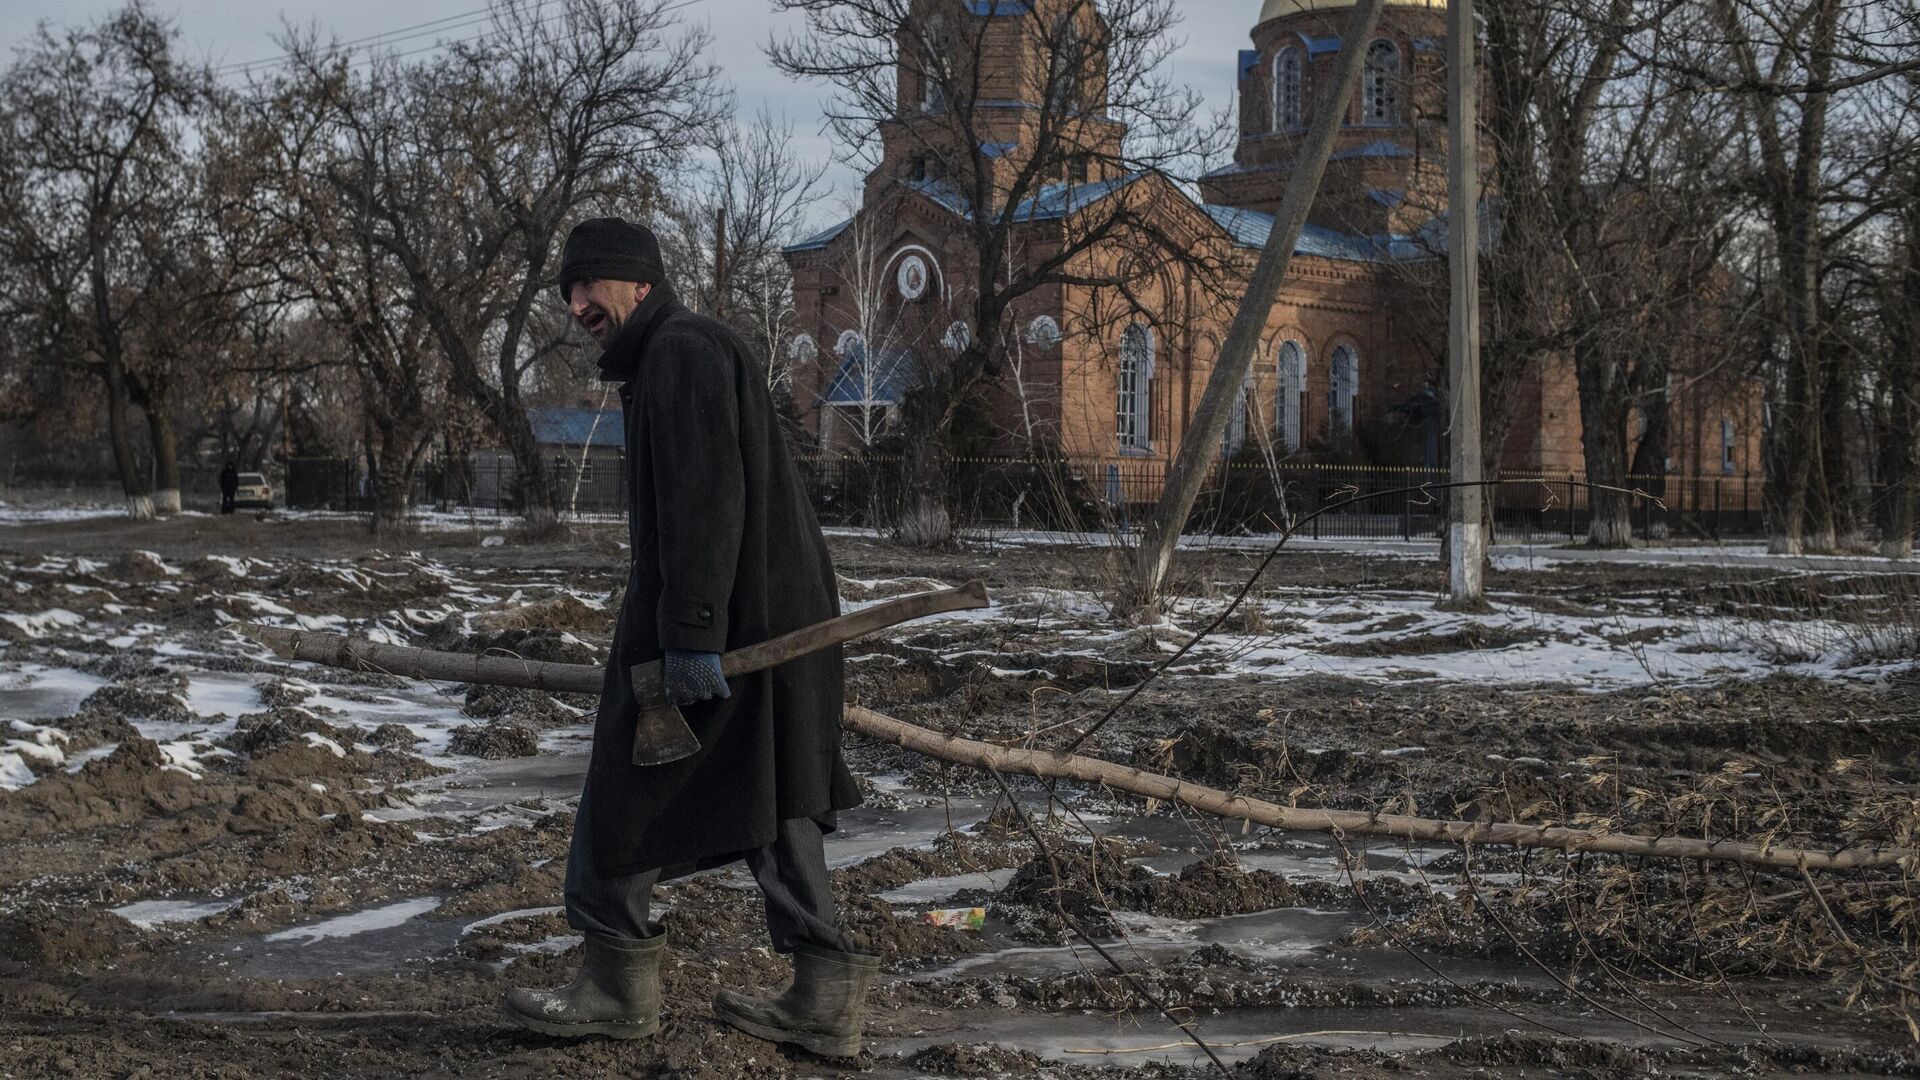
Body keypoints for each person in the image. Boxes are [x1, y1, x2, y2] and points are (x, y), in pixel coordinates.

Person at [501, 218, 874, 1057]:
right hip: (762, 614)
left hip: (732, 626)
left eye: (589, 284)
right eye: (568, 290)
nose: (575, 304)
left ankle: (613, 985)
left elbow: (707, 499)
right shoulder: (676, 353)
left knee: (626, 788)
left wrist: (691, 636)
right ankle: (824, 995)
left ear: (638, 281)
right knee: (769, 795)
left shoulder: (680, 353)